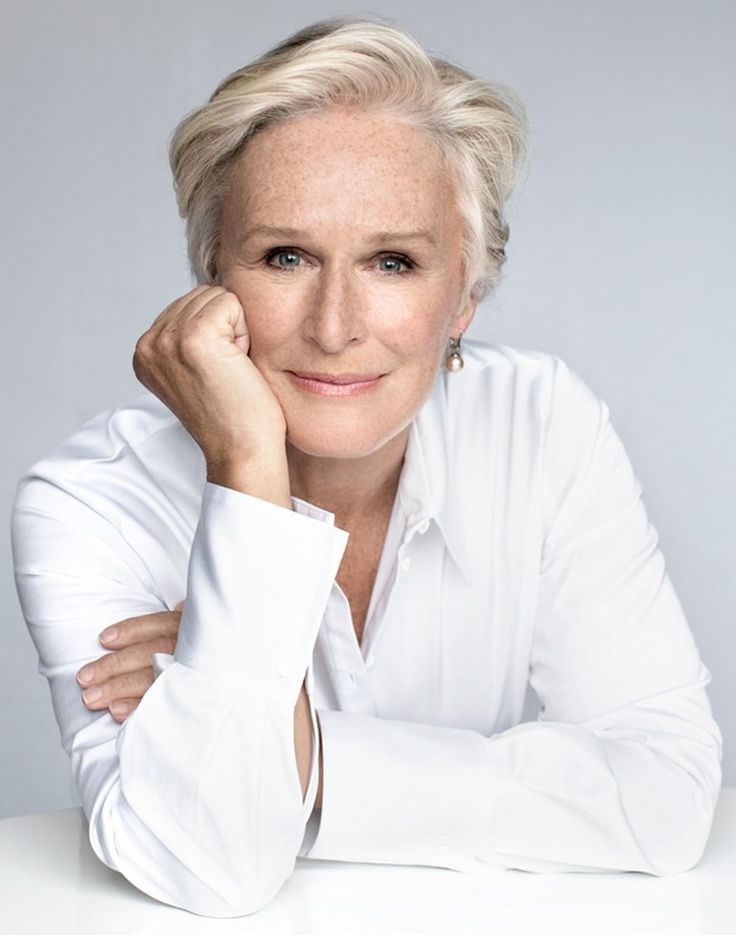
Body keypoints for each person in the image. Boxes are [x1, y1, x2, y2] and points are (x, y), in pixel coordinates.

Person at [10, 17, 722, 919]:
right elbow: (204, 866)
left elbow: (665, 796)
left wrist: (307, 749)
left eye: (394, 261)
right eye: (285, 256)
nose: (337, 325)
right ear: (209, 277)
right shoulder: (88, 503)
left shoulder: (541, 424)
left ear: (464, 293)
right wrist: (246, 468)